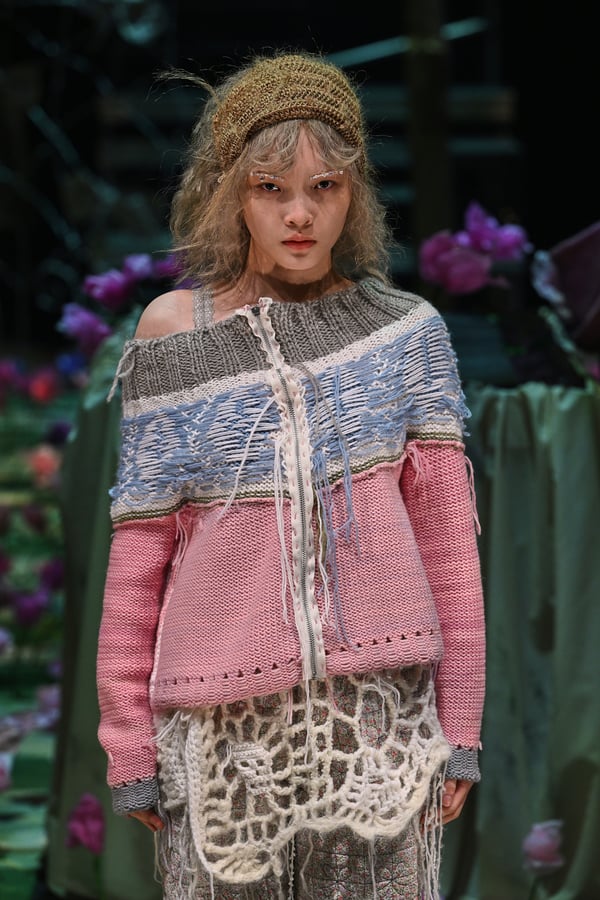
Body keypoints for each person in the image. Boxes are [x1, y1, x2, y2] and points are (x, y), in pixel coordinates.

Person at [96, 49, 486, 900]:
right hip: (221, 727)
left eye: (325, 187)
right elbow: (139, 554)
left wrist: (460, 729)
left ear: (356, 193)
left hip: (377, 719)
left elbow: (451, 551)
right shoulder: (173, 335)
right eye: (270, 188)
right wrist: (128, 741)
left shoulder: (406, 335)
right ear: (229, 192)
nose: (300, 213)